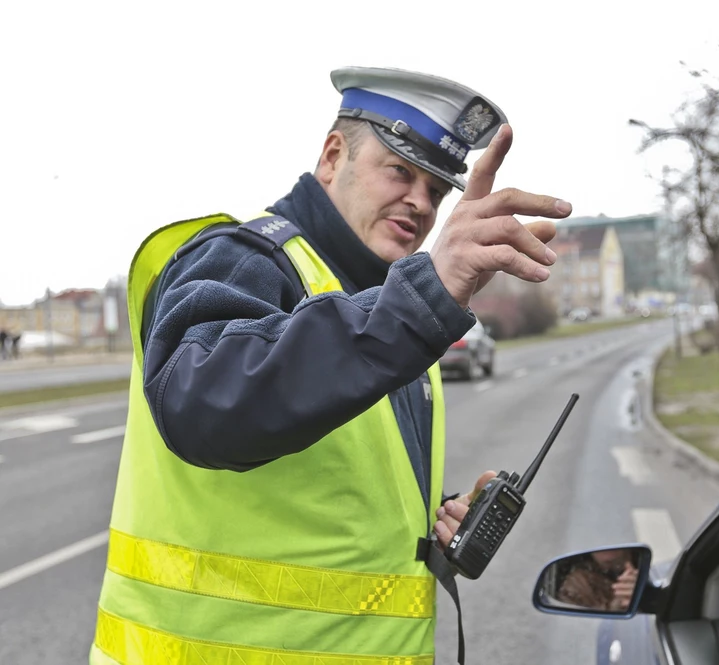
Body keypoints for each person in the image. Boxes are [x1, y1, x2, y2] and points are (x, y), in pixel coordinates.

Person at [90, 66, 570, 665]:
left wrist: (430, 530)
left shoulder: (387, 309)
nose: (421, 203)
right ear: (332, 155)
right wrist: (418, 303)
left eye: (437, 189)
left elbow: (331, 493)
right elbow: (201, 404)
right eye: (399, 171)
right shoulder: (245, 259)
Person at [554, 549, 640, 612]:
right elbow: (578, 628)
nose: (606, 547)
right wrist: (617, 607)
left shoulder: (646, 567)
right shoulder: (577, 585)